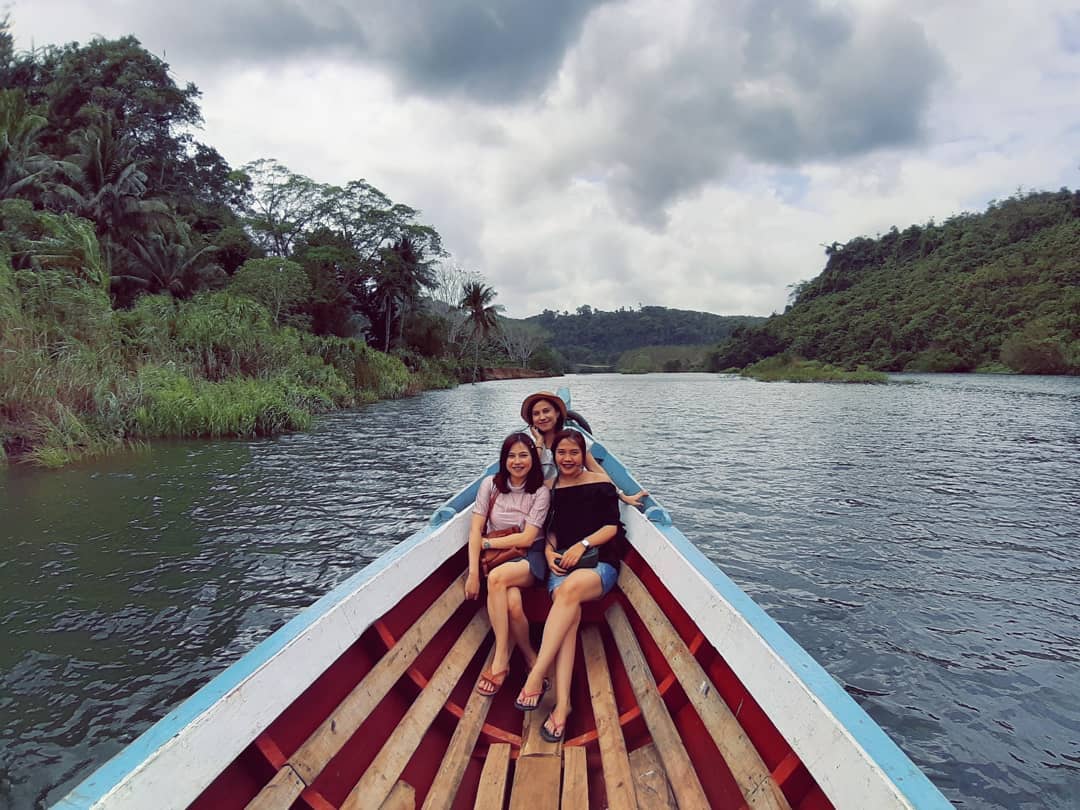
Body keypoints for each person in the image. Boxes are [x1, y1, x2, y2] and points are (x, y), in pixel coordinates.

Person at [513, 429, 625, 742]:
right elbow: (550, 531)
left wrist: (582, 545)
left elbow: (611, 527)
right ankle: (563, 706)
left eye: (574, 452)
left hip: (599, 561)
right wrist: (550, 553)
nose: (567, 459)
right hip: (561, 564)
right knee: (568, 614)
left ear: (582, 455)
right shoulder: (549, 489)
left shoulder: (601, 484)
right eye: (561, 453)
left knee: (569, 591)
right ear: (555, 455)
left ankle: (537, 675)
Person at [464, 433, 552, 696]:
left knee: (497, 579)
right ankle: (530, 657)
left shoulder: (540, 492)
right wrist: (472, 574)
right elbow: (475, 530)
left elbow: (527, 538)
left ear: (533, 459)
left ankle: (500, 658)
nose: (517, 461)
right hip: (499, 557)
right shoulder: (490, 485)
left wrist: (487, 544)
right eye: (511, 456)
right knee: (513, 604)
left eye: (523, 455)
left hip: (529, 556)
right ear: (503, 460)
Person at [520, 391, 648, 507]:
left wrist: (621, 495)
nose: (542, 417)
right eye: (536, 414)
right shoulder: (527, 442)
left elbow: (595, 468)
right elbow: (526, 474)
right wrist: (539, 442)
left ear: (557, 413)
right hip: (542, 500)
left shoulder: (572, 437)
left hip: (574, 495)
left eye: (546, 411)